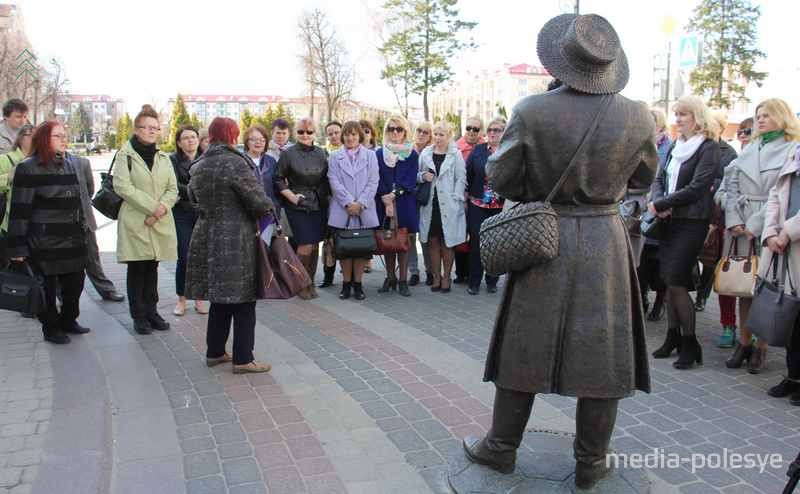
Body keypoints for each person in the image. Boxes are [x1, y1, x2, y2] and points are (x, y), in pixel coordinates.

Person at [462, 14, 657, 491]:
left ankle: (501, 447)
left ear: (561, 61)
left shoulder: (532, 109)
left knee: (523, 342)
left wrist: (543, 183)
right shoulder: (638, 115)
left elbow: (501, 177)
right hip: (604, 242)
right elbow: (644, 179)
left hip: (543, 238)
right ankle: (592, 461)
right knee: (604, 352)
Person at [185, 117, 273, 374]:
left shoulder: (198, 164)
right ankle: (244, 358)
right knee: (244, 299)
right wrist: (268, 210)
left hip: (206, 234)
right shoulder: (235, 162)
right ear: (233, 136)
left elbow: (191, 198)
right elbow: (258, 201)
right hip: (236, 238)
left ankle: (215, 352)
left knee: (220, 298)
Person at [723, 99, 800, 374]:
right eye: (758, 116)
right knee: (743, 287)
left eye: (767, 115)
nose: (761, 120)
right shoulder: (749, 148)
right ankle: (743, 343)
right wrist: (734, 220)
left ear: (782, 117)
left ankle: (761, 346)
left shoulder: (792, 149)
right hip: (740, 222)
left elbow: (779, 195)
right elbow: (730, 185)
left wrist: (755, 225)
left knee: (765, 288)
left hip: (768, 226)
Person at [649, 95, 720, 370]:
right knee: (668, 280)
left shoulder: (708, 147)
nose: (678, 119)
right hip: (668, 221)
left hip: (692, 222)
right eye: (676, 114)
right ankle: (672, 338)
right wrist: (658, 202)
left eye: (684, 114)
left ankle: (690, 342)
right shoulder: (677, 145)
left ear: (697, 117)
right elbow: (659, 178)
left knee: (677, 280)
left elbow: (699, 187)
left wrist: (662, 203)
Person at [7, 121, 90, 344]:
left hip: (73, 240)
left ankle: (68, 320)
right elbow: (19, 210)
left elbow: (79, 202)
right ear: (44, 138)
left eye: (65, 135)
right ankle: (51, 329)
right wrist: (17, 248)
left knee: (75, 285)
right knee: (47, 290)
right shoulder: (28, 167)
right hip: (44, 243)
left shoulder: (71, 164)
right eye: (58, 136)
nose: (64, 139)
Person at [113, 105, 178, 335]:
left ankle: (152, 311)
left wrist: (161, 208)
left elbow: (173, 188)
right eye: (146, 127)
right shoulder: (125, 154)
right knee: (137, 268)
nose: (151, 131)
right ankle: (138, 316)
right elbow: (122, 186)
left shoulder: (163, 156)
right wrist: (153, 208)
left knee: (153, 266)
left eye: (155, 128)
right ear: (136, 129)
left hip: (158, 220)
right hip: (136, 220)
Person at [273, 117, 329, 299]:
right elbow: (278, 178)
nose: (305, 135)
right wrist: (291, 196)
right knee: (304, 244)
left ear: (315, 133)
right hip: (297, 204)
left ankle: (310, 281)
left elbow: (326, 178)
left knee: (314, 245)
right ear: (296, 133)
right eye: (301, 132)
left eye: (309, 132)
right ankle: (301, 284)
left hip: (318, 204)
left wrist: (323, 196)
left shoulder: (322, 153)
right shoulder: (288, 154)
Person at [761, 143, 800, 405]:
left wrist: (788, 230)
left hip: (793, 238)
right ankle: (793, 375)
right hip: (786, 247)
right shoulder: (795, 150)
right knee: (791, 314)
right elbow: (776, 193)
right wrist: (771, 232)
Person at [326, 121, 379, 300]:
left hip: (364, 210)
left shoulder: (371, 156)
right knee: (345, 249)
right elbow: (333, 180)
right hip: (343, 210)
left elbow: (374, 182)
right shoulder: (334, 156)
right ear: (343, 136)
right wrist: (349, 203)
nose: (350, 138)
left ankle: (358, 284)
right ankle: (346, 284)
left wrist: (361, 203)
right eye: (347, 134)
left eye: (354, 134)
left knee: (361, 250)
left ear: (360, 136)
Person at [693, 112, 737, 314]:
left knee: (710, 256)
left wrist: (711, 184)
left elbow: (727, 180)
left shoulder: (729, 152)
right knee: (692, 251)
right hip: (695, 205)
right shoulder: (698, 145)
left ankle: (703, 295)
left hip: (715, 211)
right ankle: (692, 285)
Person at [71, 148, 126, 303]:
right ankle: (50, 297)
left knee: (92, 257)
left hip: (82, 218)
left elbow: (89, 191)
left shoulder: (82, 163)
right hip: (54, 224)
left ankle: (106, 289)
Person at [419, 121, 467, 294]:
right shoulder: (425, 153)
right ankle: (436, 276)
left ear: (449, 136)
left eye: (442, 135)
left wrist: (456, 199)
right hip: (430, 205)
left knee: (447, 242)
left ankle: (447, 276)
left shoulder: (456, 154)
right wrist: (423, 175)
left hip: (449, 205)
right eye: (436, 134)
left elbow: (461, 179)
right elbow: (417, 176)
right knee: (432, 241)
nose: (438, 138)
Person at [375, 115, 419, 296]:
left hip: (405, 202)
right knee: (388, 239)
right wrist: (384, 196)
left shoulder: (412, 154)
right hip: (383, 201)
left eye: (399, 129)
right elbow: (374, 177)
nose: (395, 132)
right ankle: (390, 277)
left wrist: (394, 195)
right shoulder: (378, 154)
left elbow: (410, 180)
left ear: (405, 132)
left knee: (404, 241)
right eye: (391, 128)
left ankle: (402, 280)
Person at [638, 109, 673, 320]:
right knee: (641, 261)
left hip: (661, 210)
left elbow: (663, 178)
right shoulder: (640, 144)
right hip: (641, 207)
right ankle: (641, 297)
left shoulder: (669, 147)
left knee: (659, 262)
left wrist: (660, 203)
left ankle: (659, 303)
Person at [465, 117, 505, 295]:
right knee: (476, 243)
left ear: (505, 132)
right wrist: (466, 198)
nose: (493, 133)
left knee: (495, 244)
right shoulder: (478, 150)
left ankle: (492, 280)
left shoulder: (510, 150)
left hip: (501, 206)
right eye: (490, 130)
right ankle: (474, 281)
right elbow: (469, 174)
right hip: (477, 204)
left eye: (497, 130)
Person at [170, 125, 207, 316]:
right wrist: (195, 191)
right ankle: (182, 299)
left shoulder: (206, 158)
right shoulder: (171, 160)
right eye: (185, 138)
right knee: (184, 257)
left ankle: (200, 299)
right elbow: (173, 185)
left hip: (203, 214)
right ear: (179, 142)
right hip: (182, 213)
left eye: (193, 137)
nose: (191, 141)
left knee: (201, 256)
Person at [453, 116, 485, 284]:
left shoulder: (485, 148)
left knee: (474, 236)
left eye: (476, 129)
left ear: (481, 131)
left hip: (476, 200)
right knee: (459, 234)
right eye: (468, 128)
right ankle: (460, 273)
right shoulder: (456, 147)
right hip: (459, 198)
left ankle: (473, 271)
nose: (471, 132)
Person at [319, 121, 344, 289]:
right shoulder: (323, 153)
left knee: (346, 240)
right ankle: (328, 276)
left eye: (336, 132)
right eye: (330, 133)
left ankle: (348, 278)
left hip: (347, 202)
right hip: (328, 201)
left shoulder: (350, 150)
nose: (334, 136)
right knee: (329, 241)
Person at [413, 121, 433, 286]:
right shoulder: (406, 149)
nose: (421, 134)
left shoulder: (433, 152)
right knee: (410, 236)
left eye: (425, 132)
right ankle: (414, 271)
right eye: (419, 130)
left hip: (426, 199)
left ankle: (430, 270)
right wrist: (421, 176)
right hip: (408, 198)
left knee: (425, 237)